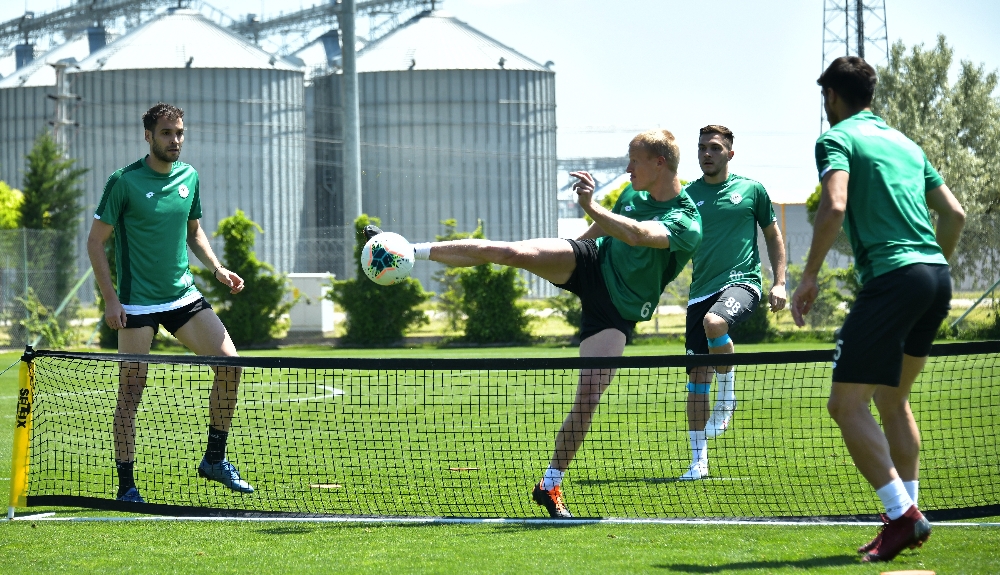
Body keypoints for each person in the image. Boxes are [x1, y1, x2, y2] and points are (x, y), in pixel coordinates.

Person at [365, 129, 702, 518]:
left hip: (618, 310)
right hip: (589, 261)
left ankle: (550, 484)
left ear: (660, 163)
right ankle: (408, 250)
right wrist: (560, 253)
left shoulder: (686, 220)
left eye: (634, 160)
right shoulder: (631, 194)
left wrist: (591, 207)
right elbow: (598, 234)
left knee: (589, 396)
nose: (627, 168)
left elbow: (637, 234)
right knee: (511, 251)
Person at [791, 57, 965, 562]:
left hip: (892, 280)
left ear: (832, 98)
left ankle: (902, 516)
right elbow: (953, 215)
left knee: (845, 405)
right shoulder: (907, 144)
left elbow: (836, 204)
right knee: (892, 402)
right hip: (935, 276)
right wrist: (928, 271)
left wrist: (809, 275)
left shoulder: (838, 138)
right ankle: (908, 514)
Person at [87, 102, 255, 504]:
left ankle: (214, 459)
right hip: (136, 305)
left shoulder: (189, 176)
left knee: (230, 364)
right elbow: (95, 242)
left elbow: (194, 231)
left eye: (179, 132)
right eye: (166, 133)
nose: (175, 140)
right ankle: (126, 486)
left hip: (183, 296)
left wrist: (217, 268)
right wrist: (111, 301)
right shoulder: (123, 182)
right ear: (148, 136)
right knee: (132, 389)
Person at [678, 125, 787, 480]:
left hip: (743, 283)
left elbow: (773, 235)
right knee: (696, 380)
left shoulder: (752, 190)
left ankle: (727, 396)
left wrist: (780, 282)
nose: (706, 154)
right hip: (700, 293)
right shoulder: (687, 195)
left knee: (716, 323)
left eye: (714, 148)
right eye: (701, 148)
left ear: (729, 153)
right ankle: (698, 462)